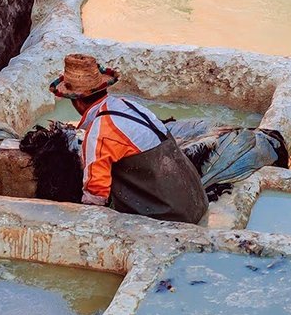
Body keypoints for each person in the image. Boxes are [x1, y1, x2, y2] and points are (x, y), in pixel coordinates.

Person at [49, 53, 208, 224]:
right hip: (197, 202)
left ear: (77, 101)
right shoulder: (129, 105)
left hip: (170, 217)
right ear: (104, 88)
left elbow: (95, 197)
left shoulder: (99, 132)